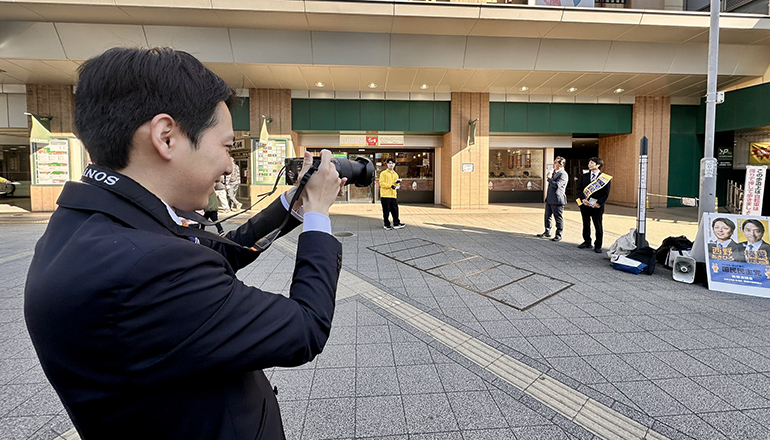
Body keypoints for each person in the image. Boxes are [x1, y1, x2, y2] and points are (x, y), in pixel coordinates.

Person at [24, 47, 345, 440]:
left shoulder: (98, 222)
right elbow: (304, 328)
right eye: (226, 146)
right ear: (166, 137)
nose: (230, 165)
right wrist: (317, 216)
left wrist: (291, 205)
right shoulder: (144, 266)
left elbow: (213, 250)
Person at [576, 157, 612, 253]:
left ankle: (598, 245)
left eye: (592, 163)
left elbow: (606, 194)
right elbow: (578, 189)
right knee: (586, 224)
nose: (589, 164)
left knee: (598, 225)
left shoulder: (604, 178)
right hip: (585, 205)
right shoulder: (584, 176)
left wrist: (599, 203)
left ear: (598, 165)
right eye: (589, 163)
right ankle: (587, 241)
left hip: (597, 206)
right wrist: (583, 199)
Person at [536, 157, 568, 242]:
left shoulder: (563, 174)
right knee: (547, 216)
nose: (554, 164)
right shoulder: (554, 173)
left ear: (561, 165)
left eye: (556, 163)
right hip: (550, 198)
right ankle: (547, 231)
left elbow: (557, 185)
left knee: (558, 217)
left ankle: (558, 234)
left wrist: (549, 178)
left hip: (557, 199)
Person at [379, 157, 405, 230]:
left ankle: (396, 223)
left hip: (393, 195)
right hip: (385, 195)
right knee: (386, 211)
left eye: (392, 163)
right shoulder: (383, 173)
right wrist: (390, 186)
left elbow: (395, 185)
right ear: (387, 164)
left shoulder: (395, 174)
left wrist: (397, 184)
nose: (391, 165)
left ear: (394, 164)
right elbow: (381, 183)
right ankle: (386, 224)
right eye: (389, 163)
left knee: (395, 210)